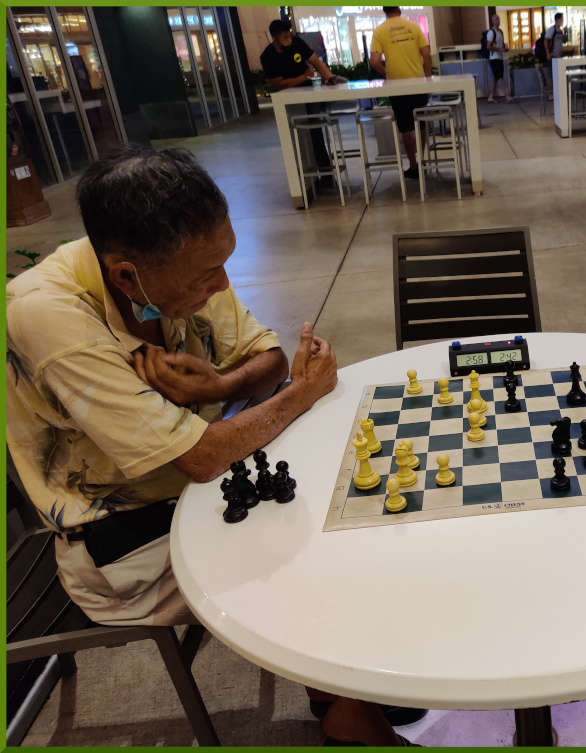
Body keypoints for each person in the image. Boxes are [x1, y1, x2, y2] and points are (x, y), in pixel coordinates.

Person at [5, 145, 411, 745]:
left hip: (204, 491)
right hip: (121, 542)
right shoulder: (50, 317)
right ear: (125, 274)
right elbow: (199, 457)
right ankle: (347, 712)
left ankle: (344, 687)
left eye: (225, 262)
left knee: (357, 503)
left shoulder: (176, 262)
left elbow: (265, 358)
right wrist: (301, 394)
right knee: (315, 553)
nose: (221, 284)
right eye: (205, 276)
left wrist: (224, 384)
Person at [260, 19, 346, 188]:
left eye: (289, 35)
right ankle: (310, 178)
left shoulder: (297, 42)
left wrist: (328, 77)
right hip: (290, 101)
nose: (289, 39)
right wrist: (304, 76)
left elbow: (316, 62)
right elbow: (279, 83)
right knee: (304, 134)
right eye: (285, 37)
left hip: (309, 93)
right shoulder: (267, 56)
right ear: (275, 38)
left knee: (315, 128)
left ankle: (325, 174)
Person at [370, 6, 433, 180]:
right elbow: (426, 54)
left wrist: (386, 74)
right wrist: (427, 76)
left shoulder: (379, 30)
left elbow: (374, 61)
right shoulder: (413, 27)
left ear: (384, 11)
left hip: (397, 87)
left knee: (405, 126)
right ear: (399, 8)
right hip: (418, 83)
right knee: (420, 122)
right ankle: (422, 161)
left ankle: (413, 165)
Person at [486, 14, 512, 104]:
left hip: (499, 57)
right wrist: (499, 49)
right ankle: (507, 95)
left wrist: (504, 48)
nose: (498, 20)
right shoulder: (491, 33)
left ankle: (490, 96)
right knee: (500, 77)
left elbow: (501, 44)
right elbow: (488, 47)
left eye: (499, 19)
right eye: (496, 19)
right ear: (493, 21)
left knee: (496, 78)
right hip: (494, 58)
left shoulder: (500, 32)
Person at [538, 12, 566, 97]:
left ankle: (556, 93)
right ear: (558, 19)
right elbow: (546, 41)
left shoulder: (560, 31)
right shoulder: (551, 30)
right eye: (562, 19)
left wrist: (565, 32)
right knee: (550, 75)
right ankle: (551, 94)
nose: (562, 20)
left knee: (557, 76)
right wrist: (547, 53)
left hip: (559, 57)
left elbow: (564, 41)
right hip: (552, 56)